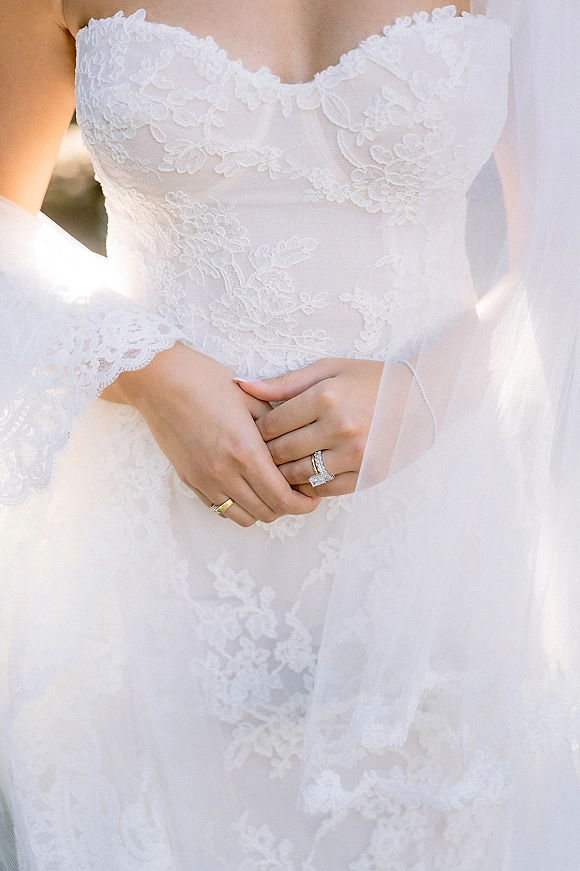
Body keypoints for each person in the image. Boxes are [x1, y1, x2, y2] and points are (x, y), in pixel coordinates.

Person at [1, 1, 579, 868]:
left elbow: (564, 243)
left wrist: (419, 394)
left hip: (434, 574)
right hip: (146, 574)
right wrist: (144, 365)